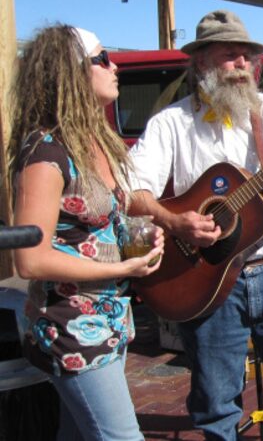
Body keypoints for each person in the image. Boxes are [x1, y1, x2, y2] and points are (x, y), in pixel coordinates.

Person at [128, 10, 263, 440]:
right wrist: (177, 221)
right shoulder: (173, 121)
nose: (243, 65)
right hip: (207, 278)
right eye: (230, 56)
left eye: (247, 57)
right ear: (202, 63)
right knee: (214, 398)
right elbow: (133, 191)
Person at [9, 25, 164, 441]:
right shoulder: (46, 152)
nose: (114, 66)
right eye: (102, 58)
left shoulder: (93, 140)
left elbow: (109, 215)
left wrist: (145, 237)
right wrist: (126, 264)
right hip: (71, 327)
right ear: (72, 74)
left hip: (108, 317)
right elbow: (30, 258)